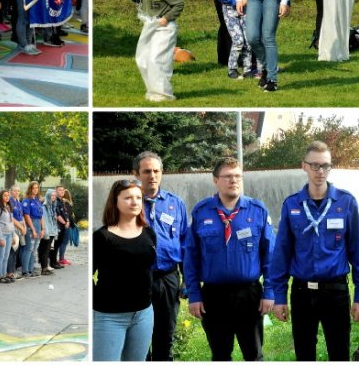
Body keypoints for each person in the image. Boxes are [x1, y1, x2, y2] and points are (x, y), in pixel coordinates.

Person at [270, 141, 359, 361]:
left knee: (339, 352)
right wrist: (279, 296)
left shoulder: (345, 202)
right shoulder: (292, 205)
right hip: (302, 293)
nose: (320, 171)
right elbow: (281, 254)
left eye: (325, 166)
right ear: (304, 166)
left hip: (335, 292)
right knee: (304, 354)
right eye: (315, 165)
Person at [183, 157, 274, 360]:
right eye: (228, 176)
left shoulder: (257, 210)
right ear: (215, 180)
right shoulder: (201, 211)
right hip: (214, 297)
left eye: (238, 176)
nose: (234, 180)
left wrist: (269, 291)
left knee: (253, 353)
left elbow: (270, 256)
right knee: (220, 354)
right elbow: (191, 257)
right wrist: (194, 294)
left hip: (249, 295)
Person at [93, 179, 156, 361]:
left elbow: (147, 270)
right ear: (115, 201)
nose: (135, 202)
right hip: (109, 317)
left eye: (138, 197)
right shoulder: (102, 237)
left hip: (143, 314)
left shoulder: (149, 233)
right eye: (128, 197)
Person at [134, 151, 188, 361]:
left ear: (162, 173)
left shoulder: (176, 204)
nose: (152, 176)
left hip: (167, 278)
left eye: (156, 171)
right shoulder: (129, 203)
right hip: (137, 279)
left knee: (165, 334)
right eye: (146, 171)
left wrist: (188, 280)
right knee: (138, 335)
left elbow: (185, 244)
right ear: (137, 174)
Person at [133, 0, 184, 103]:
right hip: (151, 26)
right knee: (142, 59)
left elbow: (179, 3)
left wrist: (166, 18)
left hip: (165, 28)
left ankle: (164, 94)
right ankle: (153, 91)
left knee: (157, 60)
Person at [21, 181, 44, 277]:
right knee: (29, 249)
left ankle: (31, 269)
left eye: (37, 188)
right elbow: (26, 216)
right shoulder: (27, 200)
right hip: (31, 224)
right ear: (30, 189)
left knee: (34, 249)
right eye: (34, 188)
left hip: (38, 223)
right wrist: (33, 230)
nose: (36, 190)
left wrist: (43, 229)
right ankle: (25, 270)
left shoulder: (37, 200)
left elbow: (41, 216)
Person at [0, 189, 15, 283]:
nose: (7, 197)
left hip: (9, 234)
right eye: (5, 195)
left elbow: (11, 221)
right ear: (1, 196)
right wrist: (1, 237)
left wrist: (13, 235)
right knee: (1, 256)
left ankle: (4, 274)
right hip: (2, 235)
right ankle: (0, 276)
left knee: (6, 256)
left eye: (8, 195)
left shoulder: (8, 207)